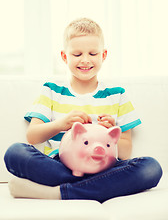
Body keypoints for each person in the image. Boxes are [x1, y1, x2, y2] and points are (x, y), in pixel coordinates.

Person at [4, 18, 162, 203]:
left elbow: (125, 153)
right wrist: (61, 124)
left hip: (104, 166)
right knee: (15, 152)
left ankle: (59, 192)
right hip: (60, 165)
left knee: (151, 167)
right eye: (77, 54)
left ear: (103, 55)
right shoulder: (52, 91)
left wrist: (111, 135)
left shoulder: (117, 95)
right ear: (64, 56)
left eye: (93, 53)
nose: (85, 60)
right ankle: (99, 187)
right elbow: (32, 136)